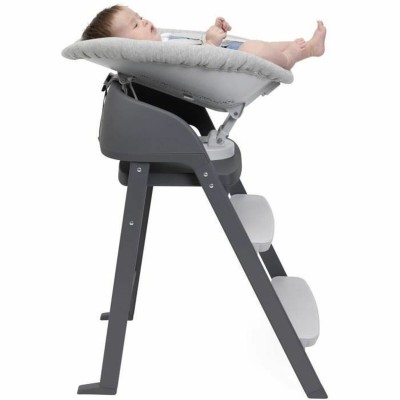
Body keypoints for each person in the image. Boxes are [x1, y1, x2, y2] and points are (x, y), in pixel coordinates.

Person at [81, 5, 326, 70]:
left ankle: (310, 48)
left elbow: (195, 47)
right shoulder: (158, 57)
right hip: (228, 67)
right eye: (135, 25)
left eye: (140, 17)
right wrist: (211, 43)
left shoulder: (163, 40)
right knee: (257, 50)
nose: (144, 21)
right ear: (125, 47)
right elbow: (197, 65)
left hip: (227, 52)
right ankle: (289, 58)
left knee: (264, 45)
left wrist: (214, 32)